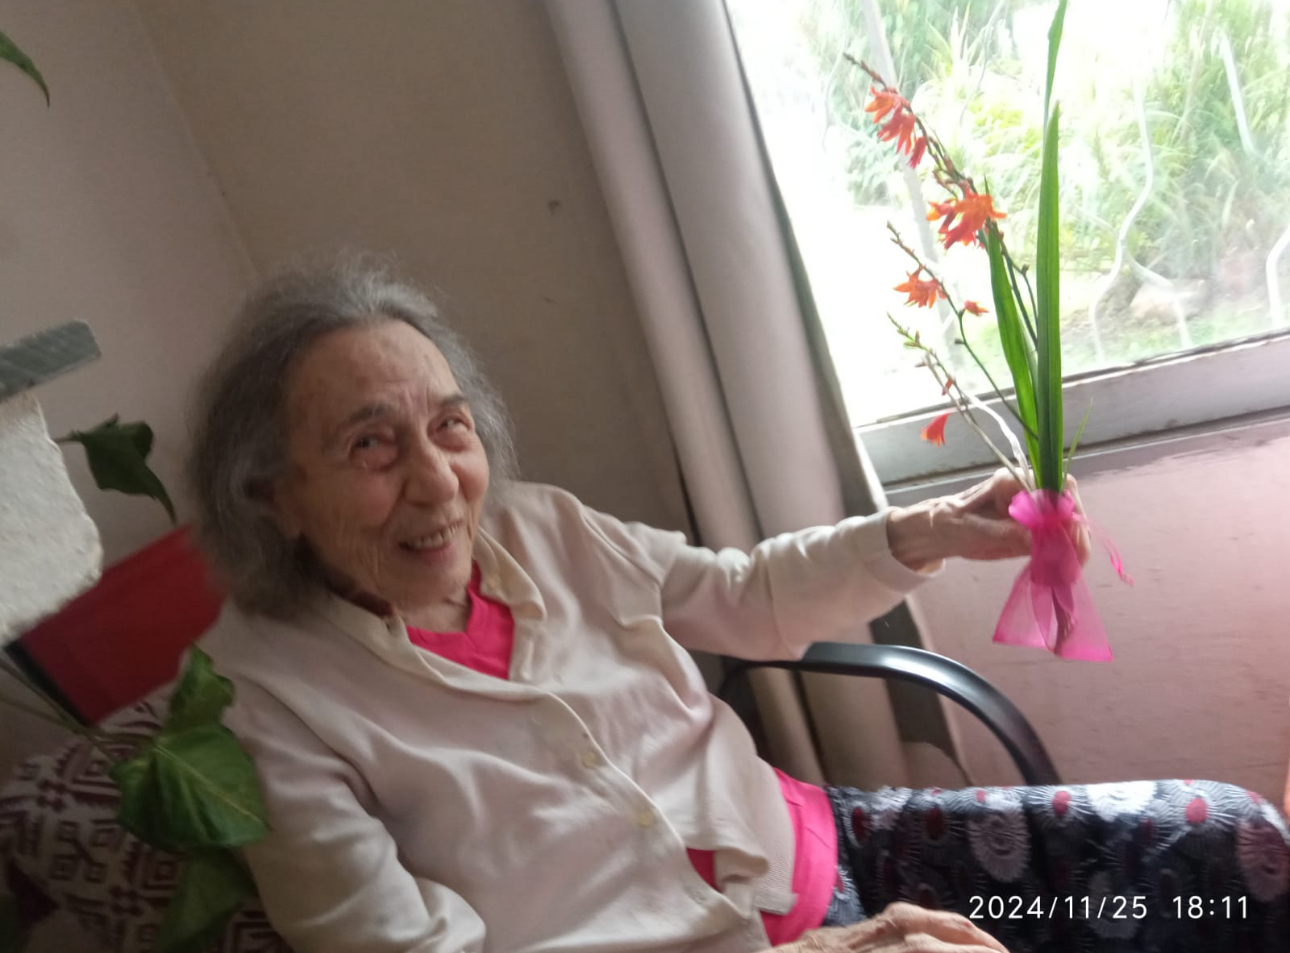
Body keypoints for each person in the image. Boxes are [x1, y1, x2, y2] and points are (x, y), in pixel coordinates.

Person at [189, 258, 1286, 953]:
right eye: (370, 444)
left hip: (834, 847)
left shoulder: (542, 527)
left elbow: (744, 597)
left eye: (451, 425)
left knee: (1230, 858)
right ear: (273, 494)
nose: (437, 482)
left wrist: (929, 529)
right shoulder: (270, 704)